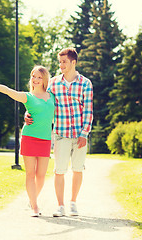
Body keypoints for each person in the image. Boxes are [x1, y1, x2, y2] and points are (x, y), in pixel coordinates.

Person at [25, 48, 93, 217]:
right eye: (60, 62)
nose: (61, 65)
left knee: (78, 169)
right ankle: (60, 205)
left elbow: (89, 111)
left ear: (73, 62)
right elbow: (39, 100)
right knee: (59, 171)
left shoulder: (85, 84)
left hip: (79, 135)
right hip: (61, 133)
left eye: (64, 62)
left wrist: (84, 134)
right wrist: (28, 114)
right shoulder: (54, 83)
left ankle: (73, 203)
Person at [0, 66, 55, 217]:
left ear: (45, 79)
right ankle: (35, 206)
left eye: (39, 77)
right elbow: (8, 91)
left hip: (45, 140)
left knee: (41, 175)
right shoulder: (28, 97)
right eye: (33, 76)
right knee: (30, 174)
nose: (36, 79)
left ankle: (32, 199)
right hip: (30, 138)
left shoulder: (52, 95)